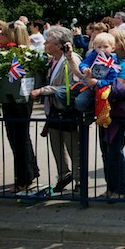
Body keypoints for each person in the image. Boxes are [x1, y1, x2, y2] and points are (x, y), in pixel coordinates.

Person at [0, 21, 40, 192]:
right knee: (18, 139)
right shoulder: (10, 53)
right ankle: (28, 174)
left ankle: (25, 179)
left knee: (20, 139)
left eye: (3, 35)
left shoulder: (24, 55)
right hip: (11, 100)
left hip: (20, 101)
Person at [30, 26, 82, 194]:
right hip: (53, 111)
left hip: (67, 111)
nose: (45, 44)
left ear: (59, 45)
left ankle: (79, 179)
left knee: (73, 147)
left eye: (49, 41)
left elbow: (70, 86)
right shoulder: (52, 60)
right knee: (56, 145)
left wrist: (42, 91)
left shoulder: (71, 59)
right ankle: (64, 174)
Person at [97, 28, 125, 199]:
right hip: (104, 110)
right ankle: (110, 186)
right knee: (105, 150)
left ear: (119, 43)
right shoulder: (105, 60)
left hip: (117, 112)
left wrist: (96, 83)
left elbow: (117, 88)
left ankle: (121, 188)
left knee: (114, 149)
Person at [74, 32, 119, 114]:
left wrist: (97, 82)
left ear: (112, 48)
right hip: (88, 84)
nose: (102, 50)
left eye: (105, 47)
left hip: (103, 88)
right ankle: (88, 112)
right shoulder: (93, 55)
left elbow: (112, 79)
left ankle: (92, 113)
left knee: (84, 101)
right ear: (95, 48)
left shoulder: (113, 62)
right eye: (99, 47)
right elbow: (84, 63)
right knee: (77, 99)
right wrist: (84, 69)